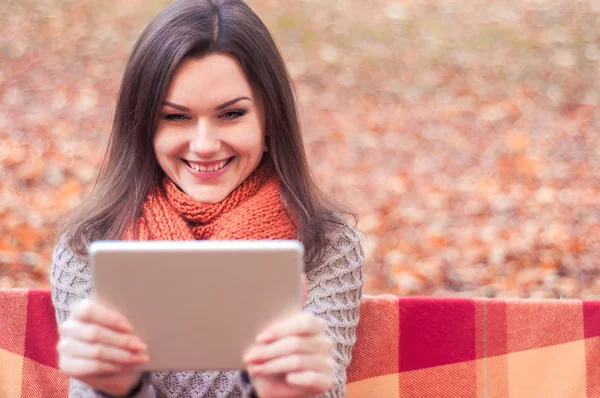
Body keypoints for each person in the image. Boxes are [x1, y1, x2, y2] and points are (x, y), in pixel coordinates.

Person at [50, 0, 364, 397]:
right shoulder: (88, 248)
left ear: (270, 119)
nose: (204, 145)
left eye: (231, 114)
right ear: (143, 126)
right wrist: (119, 390)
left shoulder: (325, 247)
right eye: (175, 117)